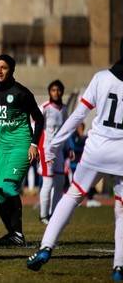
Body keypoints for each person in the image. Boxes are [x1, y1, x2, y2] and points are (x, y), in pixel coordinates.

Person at [27, 39, 123, 281]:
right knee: (121, 210)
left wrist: (56, 142)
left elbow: (80, 113)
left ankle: (46, 247)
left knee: (72, 196)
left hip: (96, 148)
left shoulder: (102, 77)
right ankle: (118, 267)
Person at [0, 54, 44, 247]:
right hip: (4, 146)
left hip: (21, 145)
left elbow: (39, 119)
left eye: (4, 68)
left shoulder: (21, 93)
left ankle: (18, 233)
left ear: (11, 70)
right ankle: (12, 234)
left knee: (9, 187)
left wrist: (34, 144)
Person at [37, 80, 69, 224]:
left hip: (59, 150)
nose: (56, 92)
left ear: (62, 92)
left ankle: (54, 214)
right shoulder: (44, 107)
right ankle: (43, 215)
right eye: (53, 90)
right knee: (48, 182)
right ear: (50, 92)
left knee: (60, 182)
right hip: (46, 149)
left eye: (58, 90)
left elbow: (67, 130)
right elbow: (34, 125)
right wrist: (35, 146)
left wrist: (69, 147)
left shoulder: (64, 109)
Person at [68, 123, 100, 207]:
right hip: (74, 164)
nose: (81, 129)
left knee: (87, 182)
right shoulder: (73, 136)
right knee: (75, 183)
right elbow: (74, 147)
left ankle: (89, 199)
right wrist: (83, 139)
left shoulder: (83, 137)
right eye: (80, 127)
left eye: (82, 128)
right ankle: (75, 200)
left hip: (83, 164)